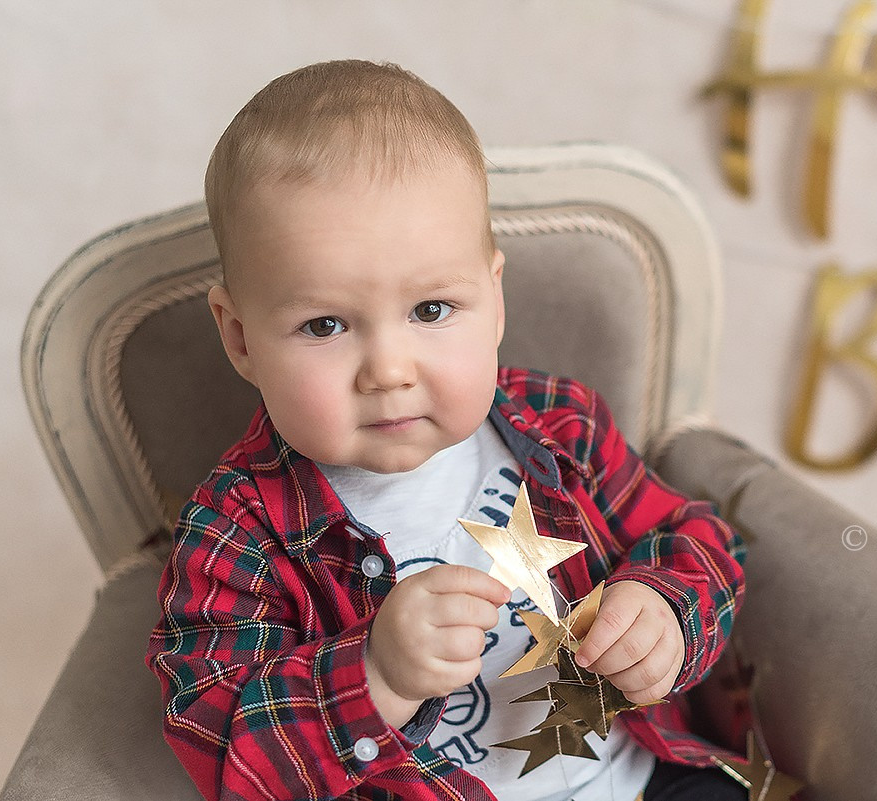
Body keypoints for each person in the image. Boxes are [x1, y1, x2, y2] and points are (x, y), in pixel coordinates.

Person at [145, 59, 748, 801]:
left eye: (431, 309)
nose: (389, 370)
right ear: (240, 338)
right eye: (325, 324)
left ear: (493, 301)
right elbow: (226, 743)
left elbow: (698, 537)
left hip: (639, 777)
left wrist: (667, 614)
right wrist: (373, 675)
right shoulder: (237, 531)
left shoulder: (561, 426)